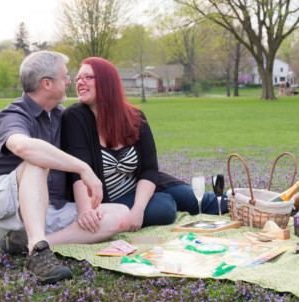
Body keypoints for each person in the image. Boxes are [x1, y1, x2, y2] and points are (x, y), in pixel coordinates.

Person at [0, 51, 131, 284]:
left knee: (121, 215)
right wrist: (83, 168)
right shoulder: (14, 114)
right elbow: (24, 148)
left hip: (47, 211)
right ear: (47, 83)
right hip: (3, 213)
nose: (70, 82)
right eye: (65, 77)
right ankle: (38, 252)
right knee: (37, 161)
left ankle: (31, 242)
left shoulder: (62, 116)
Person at [60, 57, 227, 232]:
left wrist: (139, 209)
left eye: (87, 77)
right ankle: (156, 201)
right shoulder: (75, 117)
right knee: (166, 207)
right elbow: (79, 172)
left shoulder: (134, 117)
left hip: (144, 187)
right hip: (112, 201)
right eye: (78, 78)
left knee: (194, 198)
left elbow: (149, 168)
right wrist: (86, 212)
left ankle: (248, 201)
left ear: (106, 82)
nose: (79, 83)